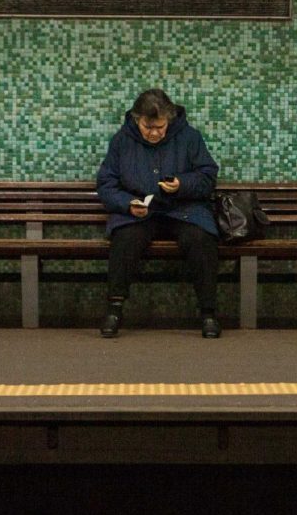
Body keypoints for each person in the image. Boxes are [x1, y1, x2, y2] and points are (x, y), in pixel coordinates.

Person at [95, 89, 221, 338]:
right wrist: (127, 203)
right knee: (125, 238)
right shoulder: (122, 140)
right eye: (147, 127)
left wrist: (181, 184)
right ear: (136, 119)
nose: (154, 133)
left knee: (200, 239)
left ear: (169, 120)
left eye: (160, 127)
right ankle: (114, 310)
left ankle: (209, 313)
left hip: (184, 209)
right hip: (140, 211)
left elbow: (207, 177)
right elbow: (106, 184)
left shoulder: (189, 137)